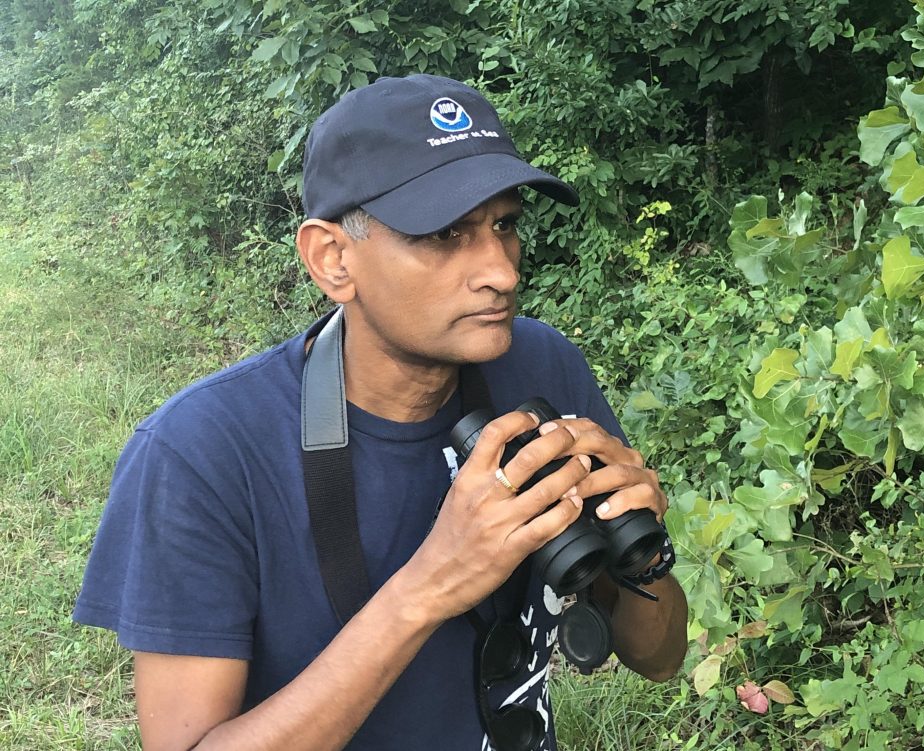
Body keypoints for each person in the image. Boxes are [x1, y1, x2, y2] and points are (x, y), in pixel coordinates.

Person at [73, 73, 688, 751]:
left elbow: (659, 659)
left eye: (505, 224)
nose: (502, 271)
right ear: (332, 259)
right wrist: (430, 585)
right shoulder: (203, 452)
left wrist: (639, 558)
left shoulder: (538, 367)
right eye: (446, 232)